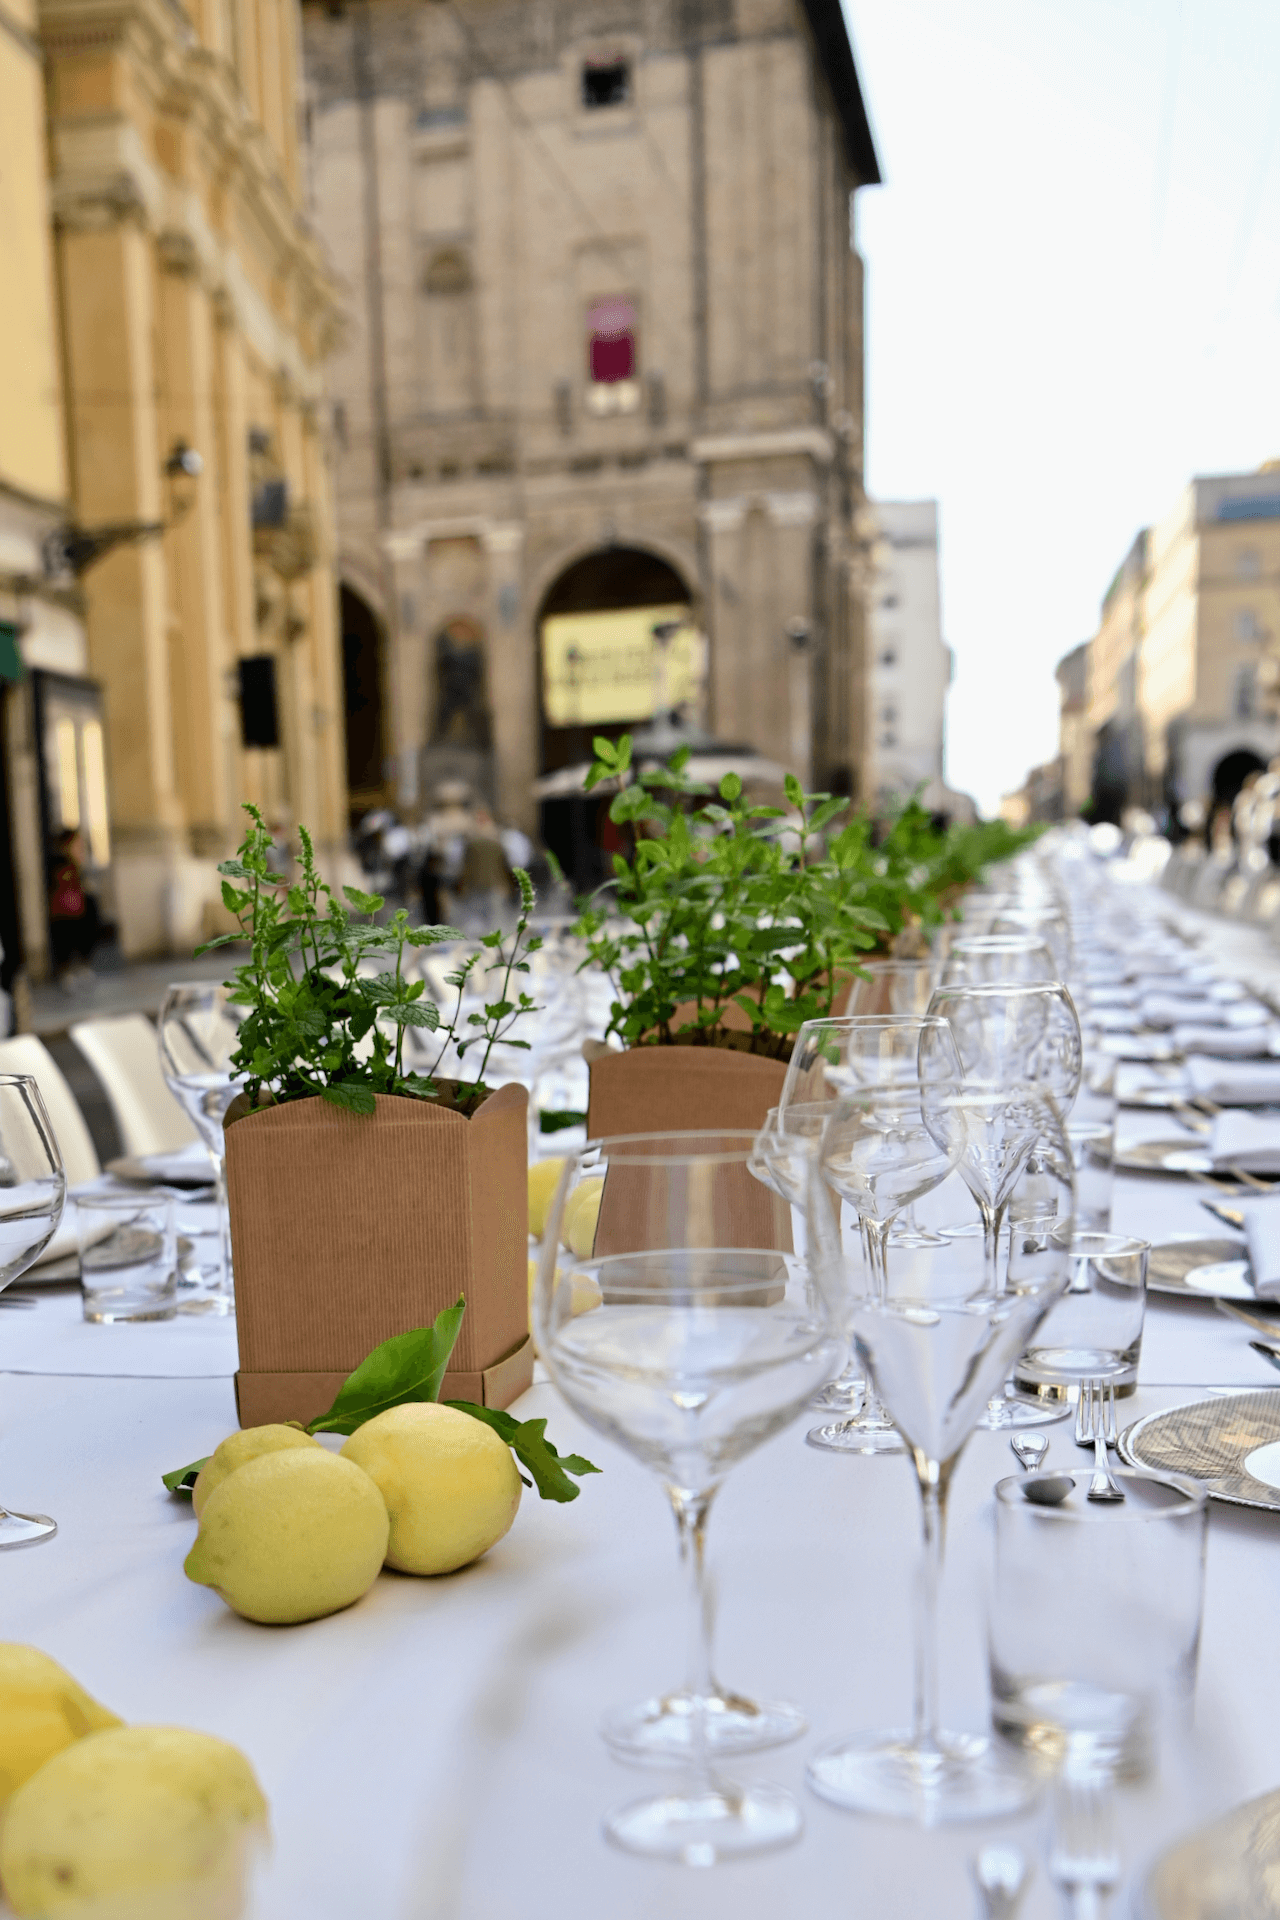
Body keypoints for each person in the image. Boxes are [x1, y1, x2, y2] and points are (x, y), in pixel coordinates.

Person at [47, 829, 100, 990]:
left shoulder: (77, 866)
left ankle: (80, 970)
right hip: (63, 914)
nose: (80, 848)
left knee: (81, 940)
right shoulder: (59, 865)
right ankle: (66, 973)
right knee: (64, 944)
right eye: (77, 845)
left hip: (77, 912)